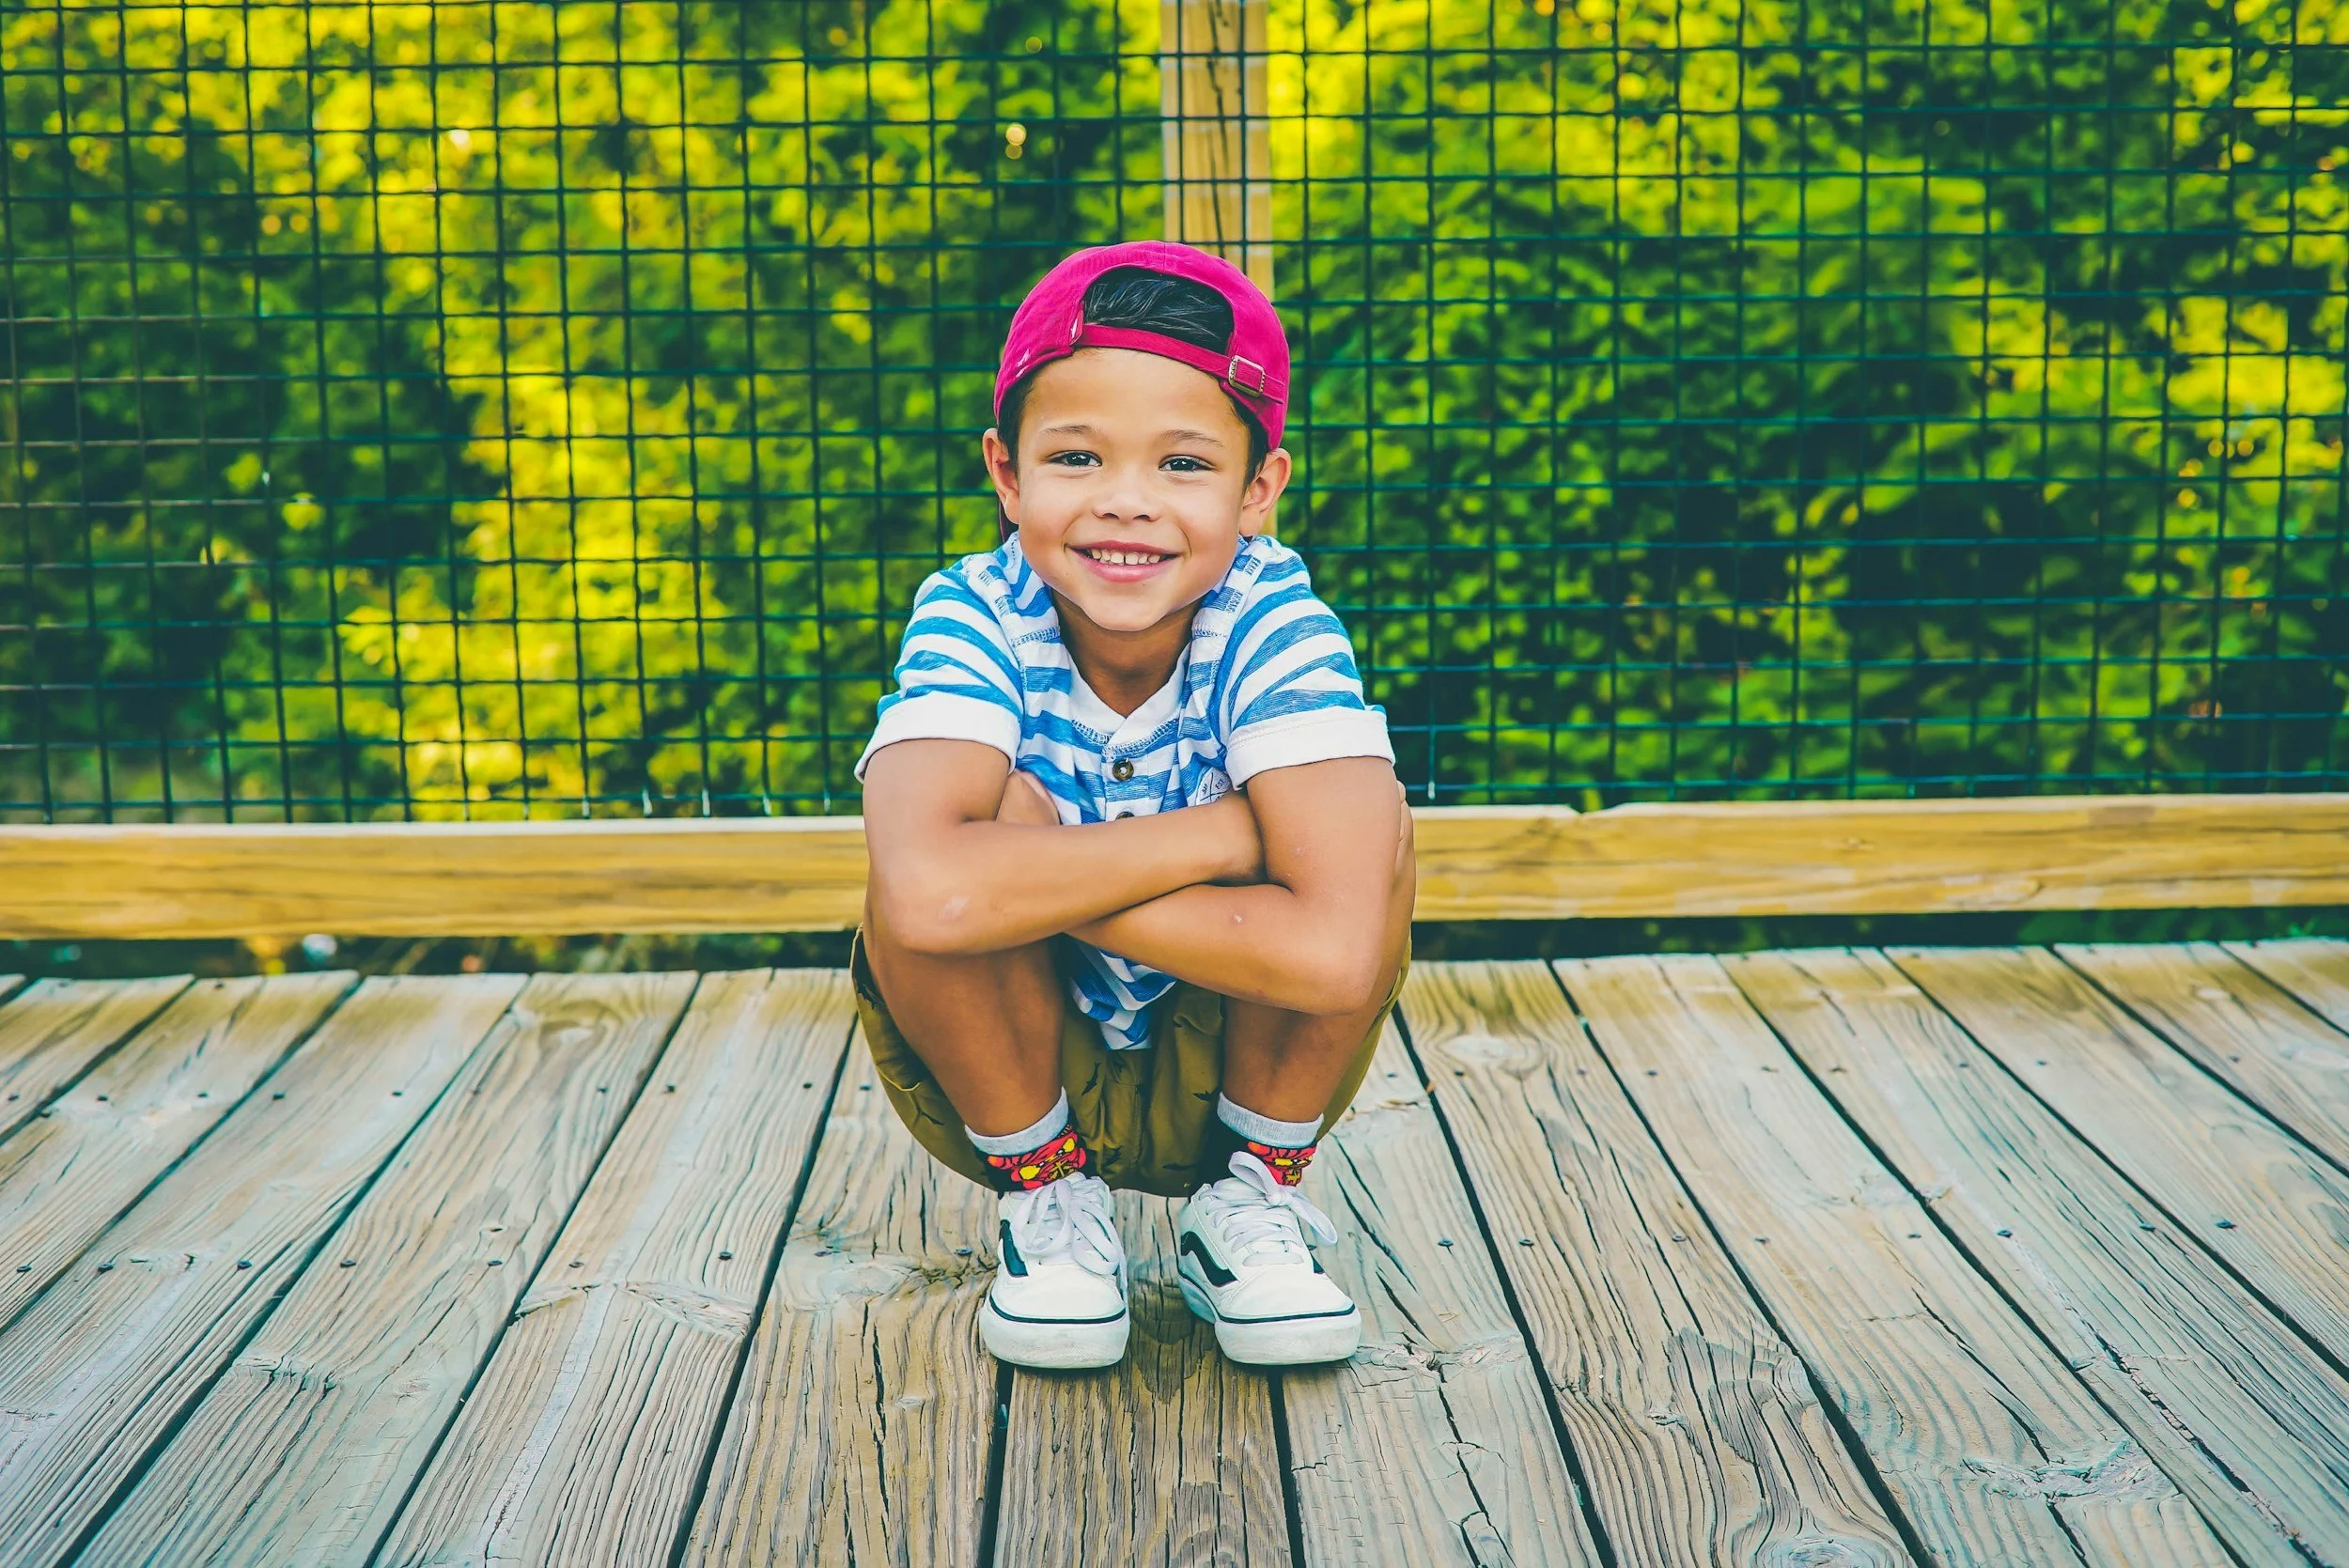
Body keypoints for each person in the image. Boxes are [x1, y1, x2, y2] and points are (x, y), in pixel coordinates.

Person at [852, 241, 1414, 1372]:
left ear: (1258, 490)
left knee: (1367, 822)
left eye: (1182, 464)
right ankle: (1048, 1208)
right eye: (1074, 456)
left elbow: (1336, 955)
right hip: (1018, 1056)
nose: (1125, 502)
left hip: (1232, 1043)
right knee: (964, 814)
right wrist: (1218, 835)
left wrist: (1021, 880)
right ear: (1006, 476)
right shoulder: (972, 610)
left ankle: (1250, 1205)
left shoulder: (1274, 620)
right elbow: (922, 896)